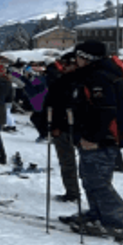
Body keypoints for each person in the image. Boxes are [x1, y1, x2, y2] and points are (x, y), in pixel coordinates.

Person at [61, 41, 123, 240]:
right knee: (89, 178)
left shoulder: (100, 77)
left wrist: (93, 138)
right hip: (93, 137)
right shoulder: (93, 74)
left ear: (88, 58)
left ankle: (119, 223)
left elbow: (105, 112)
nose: (76, 61)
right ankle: (97, 213)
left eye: (79, 57)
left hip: (101, 139)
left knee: (99, 182)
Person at [43, 51, 81, 203]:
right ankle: (72, 191)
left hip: (69, 126)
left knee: (69, 162)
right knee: (68, 162)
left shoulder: (66, 81)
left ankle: (74, 192)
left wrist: (54, 125)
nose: (63, 67)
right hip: (70, 125)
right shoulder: (66, 80)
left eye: (65, 64)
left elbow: (55, 104)